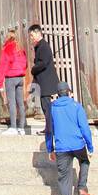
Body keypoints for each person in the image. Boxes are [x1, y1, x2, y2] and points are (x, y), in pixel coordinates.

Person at [49, 83, 95, 195]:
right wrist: (90, 146)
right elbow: (84, 128)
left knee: (64, 180)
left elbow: (49, 129)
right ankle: (81, 187)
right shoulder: (76, 106)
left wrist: (50, 149)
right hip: (77, 144)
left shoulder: (52, 108)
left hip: (61, 147)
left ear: (57, 94)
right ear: (69, 92)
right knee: (85, 161)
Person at [28, 25, 62, 153]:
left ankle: (50, 128)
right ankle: (48, 126)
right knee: (45, 106)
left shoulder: (43, 46)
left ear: (37, 34)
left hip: (46, 81)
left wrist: (33, 69)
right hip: (43, 81)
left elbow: (43, 63)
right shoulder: (40, 46)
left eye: (32, 35)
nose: (31, 38)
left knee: (47, 107)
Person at [0, 28, 29, 135]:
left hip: (10, 77)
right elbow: (25, 64)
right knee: (20, 102)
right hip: (20, 77)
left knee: (12, 102)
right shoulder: (21, 49)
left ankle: (13, 127)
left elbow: (3, 66)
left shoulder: (7, 48)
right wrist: (22, 71)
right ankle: (22, 127)